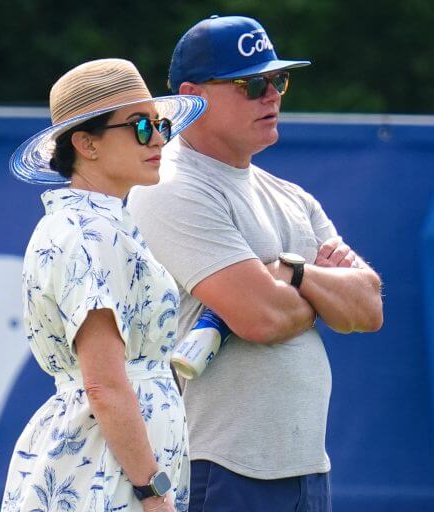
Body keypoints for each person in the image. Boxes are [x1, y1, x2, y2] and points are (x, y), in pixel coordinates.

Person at [128, 16, 384, 512]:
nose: (272, 95)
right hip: (219, 466)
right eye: (252, 84)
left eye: (278, 81)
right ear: (191, 94)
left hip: (306, 468)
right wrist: (322, 291)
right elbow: (259, 317)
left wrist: (293, 274)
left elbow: (369, 307)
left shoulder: (290, 196)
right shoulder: (172, 185)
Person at [1, 58, 207, 512]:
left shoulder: (95, 224)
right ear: (86, 144)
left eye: (160, 124)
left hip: (106, 466)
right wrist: (151, 492)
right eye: (138, 126)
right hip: (104, 474)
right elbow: (105, 386)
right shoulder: (89, 232)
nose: (157, 139)